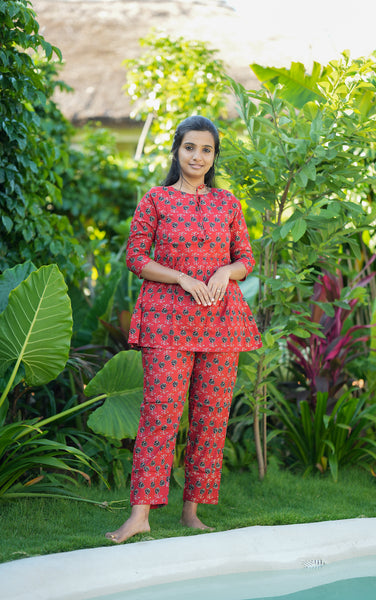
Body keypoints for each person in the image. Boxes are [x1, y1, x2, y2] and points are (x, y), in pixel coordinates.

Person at [106, 115, 262, 543]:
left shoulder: (227, 203)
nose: (198, 156)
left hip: (220, 323)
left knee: (211, 417)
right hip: (167, 322)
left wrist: (227, 271)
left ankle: (192, 511)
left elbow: (246, 258)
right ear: (177, 150)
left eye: (206, 149)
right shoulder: (156, 200)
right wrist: (181, 278)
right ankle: (140, 515)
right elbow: (136, 257)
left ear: (214, 156)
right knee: (160, 415)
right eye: (190, 147)